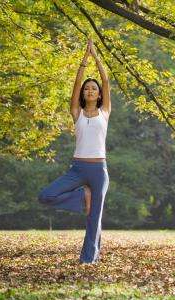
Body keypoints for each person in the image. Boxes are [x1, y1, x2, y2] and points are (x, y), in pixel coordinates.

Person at [37, 37, 111, 264]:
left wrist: (96, 57)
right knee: (46, 196)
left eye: (94, 89)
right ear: (83, 94)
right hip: (78, 169)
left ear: (99, 95)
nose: (90, 90)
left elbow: (106, 81)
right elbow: (75, 85)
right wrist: (83, 62)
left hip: (99, 169)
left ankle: (88, 260)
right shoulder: (76, 112)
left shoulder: (104, 112)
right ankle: (81, 197)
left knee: (94, 219)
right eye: (87, 88)